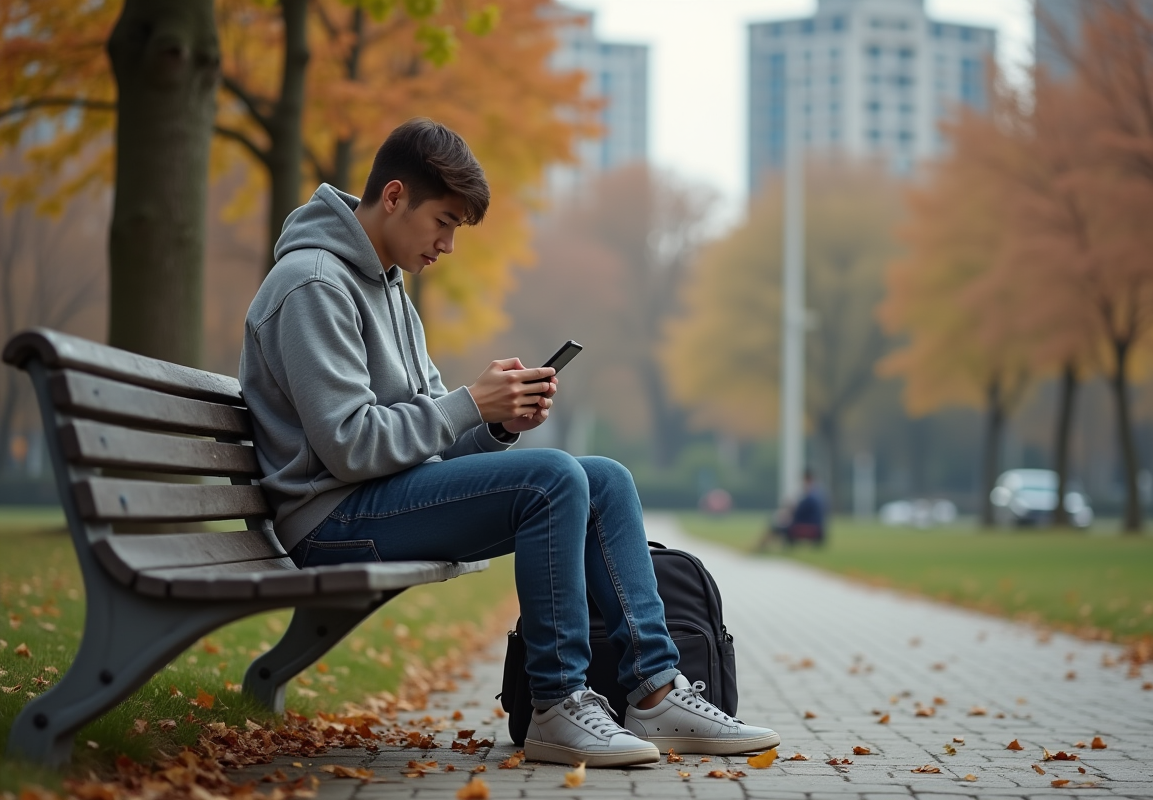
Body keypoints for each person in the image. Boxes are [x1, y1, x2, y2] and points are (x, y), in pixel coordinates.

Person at [239, 118, 779, 768]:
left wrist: (494, 425)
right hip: (329, 519)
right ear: (393, 197)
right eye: (443, 221)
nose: (448, 244)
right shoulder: (315, 285)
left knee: (604, 477)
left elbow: (426, 453)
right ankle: (556, 704)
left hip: (377, 498)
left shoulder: (390, 289)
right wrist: (469, 402)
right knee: (550, 478)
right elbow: (352, 447)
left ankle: (656, 691)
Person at [758, 469, 827, 550]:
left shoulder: (810, 497)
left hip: (810, 529)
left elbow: (797, 513)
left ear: (807, 480)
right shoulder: (820, 494)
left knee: (777, 527)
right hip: (819, 529)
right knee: (783, 525)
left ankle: (761, 546)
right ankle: (764, 546)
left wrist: (789, 508)